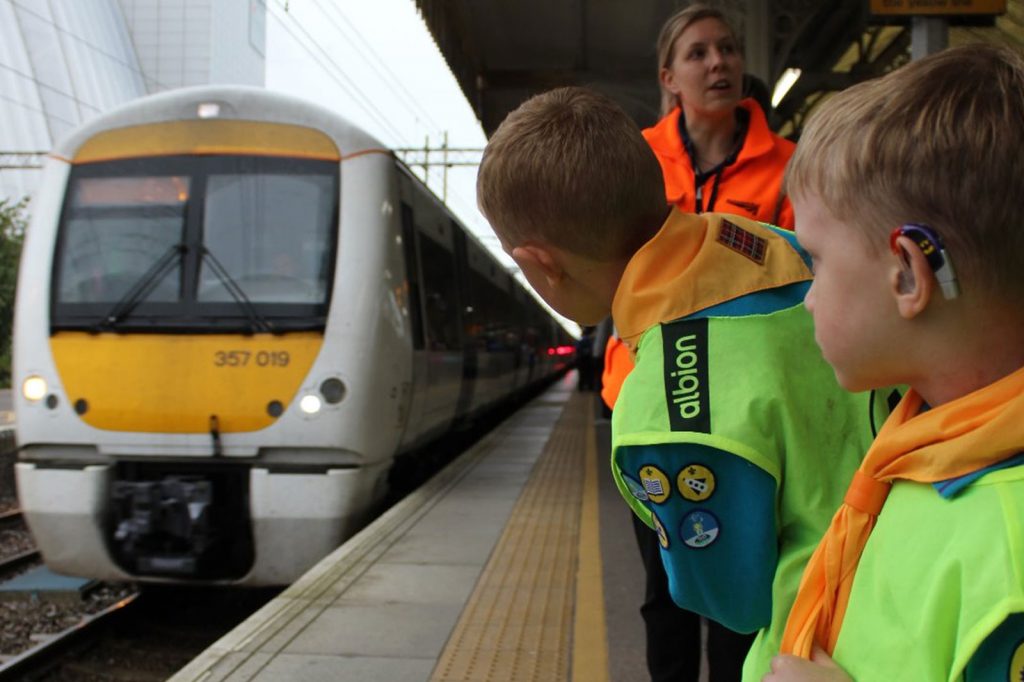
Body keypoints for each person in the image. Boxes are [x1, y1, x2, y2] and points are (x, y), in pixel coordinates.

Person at [475, 86, 894, 681]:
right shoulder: (769, 243)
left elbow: (732, 600)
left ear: (543, 263)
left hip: (829, 642)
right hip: (917, 565)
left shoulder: (661, 415)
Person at [763, 43, 1024, 682]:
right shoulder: (930, 443)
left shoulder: (1011, 550)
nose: (809, 298)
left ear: (908, 274)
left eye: (816, 262)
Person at [604, 5, 801, 679]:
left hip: (746, 411)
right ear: (669, 76)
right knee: (666, 596)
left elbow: (805, 282)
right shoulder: (634, 161)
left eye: (727, 49)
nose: (718, 62)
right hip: (647, 399)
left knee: (740, 593)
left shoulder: (787, 169)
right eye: (698, 53)